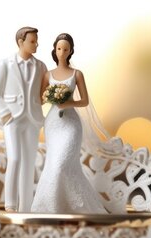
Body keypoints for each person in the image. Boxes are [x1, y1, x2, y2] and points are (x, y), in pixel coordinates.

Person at [31, 33, 108, 214]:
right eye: (59, 48)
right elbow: (39, 99)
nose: (62, 52)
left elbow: (85, 101)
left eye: (66, 49)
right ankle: (52, 206)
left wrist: (68, 102)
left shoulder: (77, 74)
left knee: (63, 164)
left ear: (71, 51)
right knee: (53, 164)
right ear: (54, 50)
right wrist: (50, 97)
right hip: (53, 124)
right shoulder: (48, 74)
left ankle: (74, 206)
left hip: (71, 124)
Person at [0, 27, 47, 212]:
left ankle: (26, 207)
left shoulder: (40, 66)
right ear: (21, 42)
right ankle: (10, 205)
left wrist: (50, 97)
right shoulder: (5, 64)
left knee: (29, 162)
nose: (36, 44)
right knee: (14, 158)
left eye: (36, 41)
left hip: (32, 118)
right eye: (32, 41)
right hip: (12, 118)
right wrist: (5, 113)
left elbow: (42, 92)